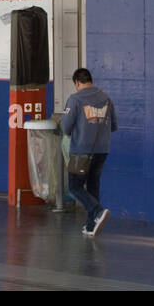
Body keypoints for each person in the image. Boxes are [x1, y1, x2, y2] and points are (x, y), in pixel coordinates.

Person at [60, 67, 117, 238]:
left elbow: (65, 127)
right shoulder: (107, 99)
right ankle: (92, 226)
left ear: (77, 83)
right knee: (93, 186)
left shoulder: (75, 99)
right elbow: (113, 126)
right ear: (90, 80)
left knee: (74, 186)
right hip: (102, 150)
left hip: (81, 151)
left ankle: (98, 212)